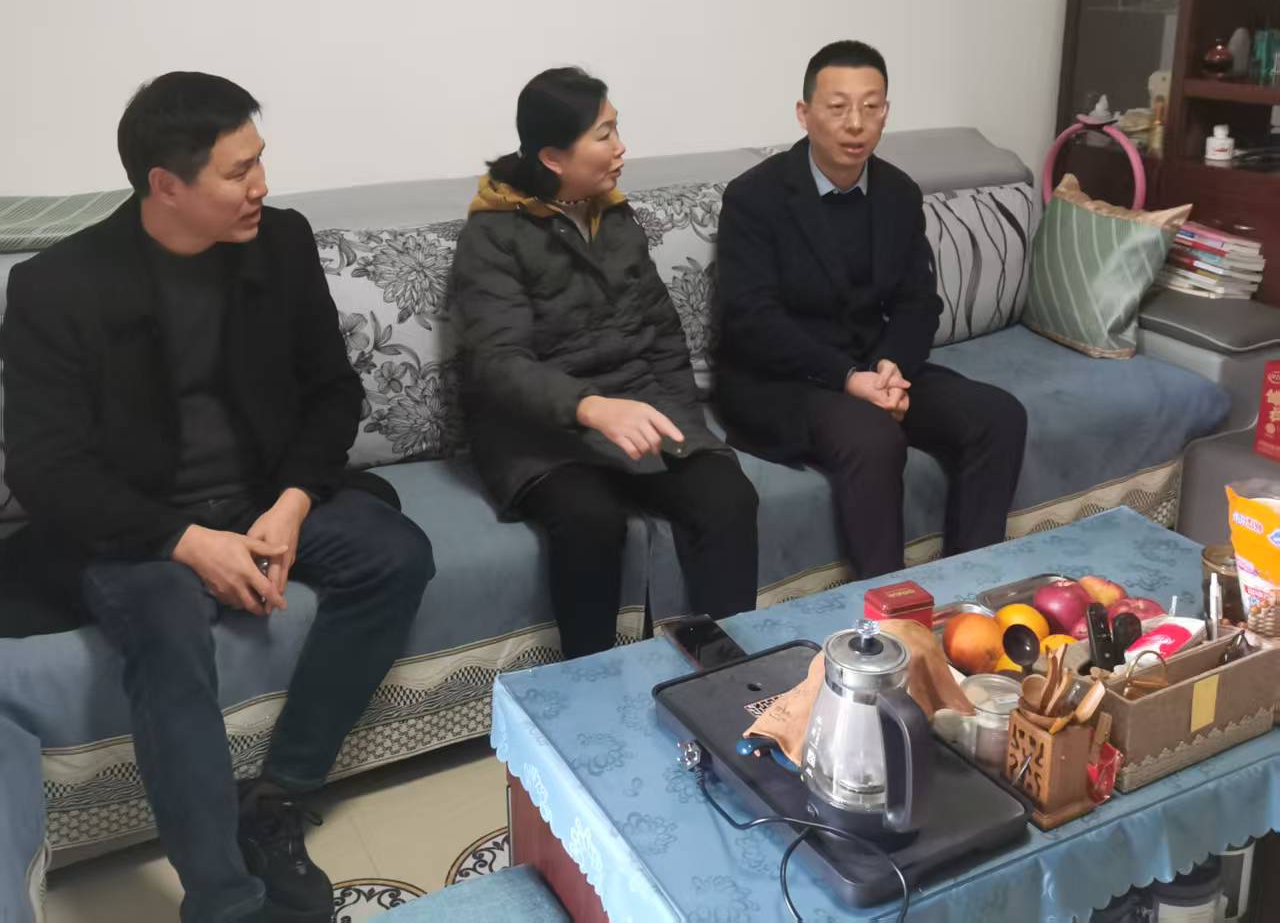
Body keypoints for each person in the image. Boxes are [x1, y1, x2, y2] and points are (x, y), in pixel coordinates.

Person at [0, 73, 435, 923]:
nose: (261, 185)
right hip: (137, 525)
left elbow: (331, 393)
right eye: (239, 172)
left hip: (264, 498)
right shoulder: (59, 285)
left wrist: (294, 502)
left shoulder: (280, 242)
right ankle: (224, 900)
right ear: (166, 185)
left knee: (396, 555)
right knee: (166, 623)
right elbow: (48, 470)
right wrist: (186, 542)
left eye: (259, 160)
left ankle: (278, 796)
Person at [452, 67, 759, 658]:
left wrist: (683, 424)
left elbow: (662, 331)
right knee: (591, 520)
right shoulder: (492, 235)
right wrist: (590, 408)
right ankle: (589, 683)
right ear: (553, 157)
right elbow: (498, 363)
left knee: (727, 495)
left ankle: (725, 673)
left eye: (617, 129)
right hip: (540, 434)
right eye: (604, 135)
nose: (621, 148)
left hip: (637, 407)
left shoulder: (613, 214)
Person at [715, 40, 1027, 579]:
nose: (856, 123)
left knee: (998, 416)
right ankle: (889, 611)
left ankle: (968, 589)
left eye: (871, 106)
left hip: (872, 366)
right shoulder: (755, 197)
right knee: (873, 436)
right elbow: (753, 321)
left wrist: (890, 368)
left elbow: (918, 302)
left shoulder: (898, 193)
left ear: (886, 111)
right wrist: (848, 378)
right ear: (804, 113)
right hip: (782, 380)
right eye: (838, 108)